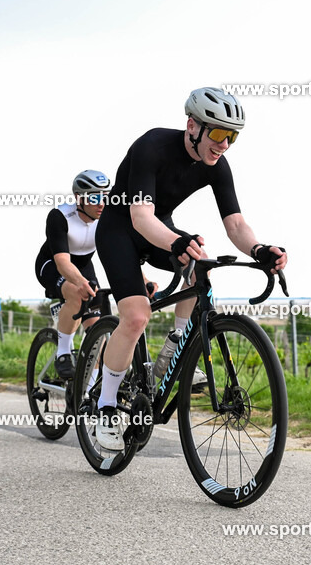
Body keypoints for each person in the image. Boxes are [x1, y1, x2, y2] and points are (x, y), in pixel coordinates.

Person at [94, 87, 288, 450]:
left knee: (200, 262)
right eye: (217, 133)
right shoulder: (153, 145)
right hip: (121, 229)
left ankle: (175, 347)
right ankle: (105, 406)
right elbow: (139, 216)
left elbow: (235, 225)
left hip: (158, 228)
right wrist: (176, 243)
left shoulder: (217, 165)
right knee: (136, 317)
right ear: (192, 126)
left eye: (232, 136)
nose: (224, 144)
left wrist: (260, 248)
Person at [33, 170, 106, 378]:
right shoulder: (60, 216)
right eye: (94, 197)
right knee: (77, 293)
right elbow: (63, 262)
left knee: (97, 334)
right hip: (52, 265)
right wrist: (81, 283)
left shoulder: (106, 218)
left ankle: (88, 395)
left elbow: (121, 252)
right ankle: (63, 352)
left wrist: (143, 279)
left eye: (105, 196)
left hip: (83, 265)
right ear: (79, 198)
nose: (101, 203)